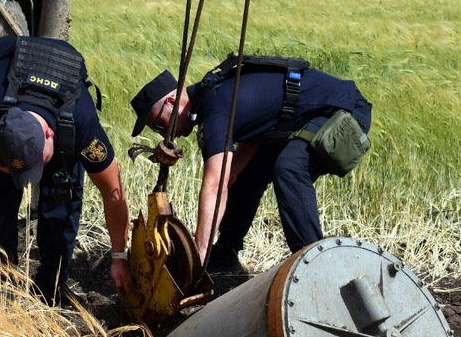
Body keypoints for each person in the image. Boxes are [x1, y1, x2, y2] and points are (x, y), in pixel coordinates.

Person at [130, 58, 372, 271]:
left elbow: (215, 186)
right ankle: (225, 254)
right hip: (299, 121)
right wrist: (234, 173)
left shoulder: (214, 110)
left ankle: (314, 265)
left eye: (159, 125)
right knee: (245, 174)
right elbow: (237, 164)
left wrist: (198, 254)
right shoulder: (213, 96)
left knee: (289, 167)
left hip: (345, 112)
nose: (163, 136)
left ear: (172, 102)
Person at [0, 35, 131, 304]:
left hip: (63, 119)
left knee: (62, 203)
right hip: (5, 74)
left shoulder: (81, 123)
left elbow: (114, 192)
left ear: (48, 132)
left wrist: (119, 257)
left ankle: (51, 288)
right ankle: (0, 287)